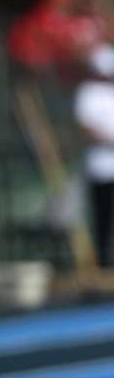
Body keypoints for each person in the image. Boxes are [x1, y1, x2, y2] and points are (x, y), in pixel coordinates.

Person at [74, 43, 114, 267]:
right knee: (102, 217)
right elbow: (87, 129)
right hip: (100, 168)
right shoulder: (88, 93)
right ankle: (102, 263)